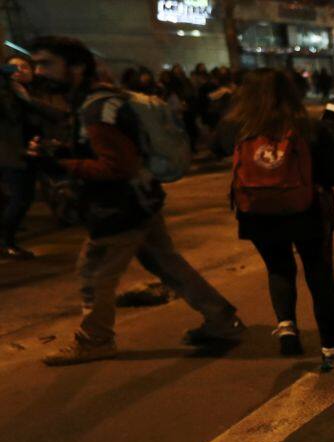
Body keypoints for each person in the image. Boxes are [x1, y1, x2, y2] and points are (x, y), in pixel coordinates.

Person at [27, 36, 244, 366]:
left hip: (118, 208)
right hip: (140, 201)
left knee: (94, 273)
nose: (39, 71)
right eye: (36, 64)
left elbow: (117, 167)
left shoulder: (97, 109)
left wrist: (59, 164)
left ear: (77, 67)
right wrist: (63, 153)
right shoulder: (100, 101)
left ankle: (95, 340)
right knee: (167, 264)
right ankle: (222, 320)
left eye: (47, 63)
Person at [222, 68, 334, 369]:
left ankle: (287, 329)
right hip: (305, 211)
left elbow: (218, 147)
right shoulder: (309, 127)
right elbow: (332, 175)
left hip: (256, 212)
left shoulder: (236, 128)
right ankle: (331, 348)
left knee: (278, 268)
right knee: (318, 274)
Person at [1, 56, 40, 259]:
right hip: (13, 153)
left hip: (28, 151)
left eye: (24, 66)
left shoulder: (29, 92)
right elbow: (13, 118)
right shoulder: (7, 93)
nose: (19, 70)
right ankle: (6, 243)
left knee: (21, 198)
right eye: (14, 67)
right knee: (20, 198)